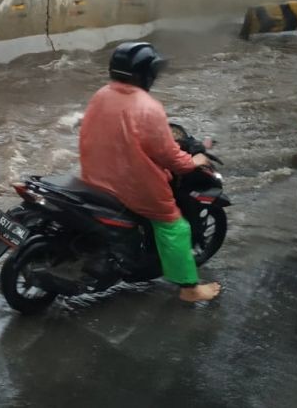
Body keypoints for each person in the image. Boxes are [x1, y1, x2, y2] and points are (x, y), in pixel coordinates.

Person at [78, 42, 222, 302]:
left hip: (94, 176)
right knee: (174, 224)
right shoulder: (148, 107)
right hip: (130, 184)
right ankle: (189, 289)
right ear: (146, 74)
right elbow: (169, 156)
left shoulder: (101, 94)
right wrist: (193, 162)